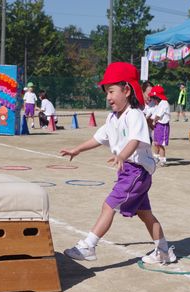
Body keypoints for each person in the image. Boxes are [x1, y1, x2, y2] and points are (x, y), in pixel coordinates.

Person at [60, 62, 176, 265]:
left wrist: (121, 156)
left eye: (112, 91)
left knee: (108, 205)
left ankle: (88, 246)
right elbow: (98, 138)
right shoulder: (113, 118)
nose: (108, 97)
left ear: (127, 90)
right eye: (106, 92)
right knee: (146, 214)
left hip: (136, 171)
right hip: (130, 172)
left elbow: (135, 140)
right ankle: (164, 251)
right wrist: (77, 149)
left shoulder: (135, 115)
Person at [148, 85, 171, 167]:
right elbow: (153, 115)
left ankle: (163, 160)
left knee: (160, 144)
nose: (153, 100)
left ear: (157, 97)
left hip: (163, 125)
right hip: (158, 125)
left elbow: (158, 116)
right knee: (156, 143)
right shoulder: (159, 104)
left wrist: (153, 121)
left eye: (153, 97)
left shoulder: (164, 103)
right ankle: (156, 157)